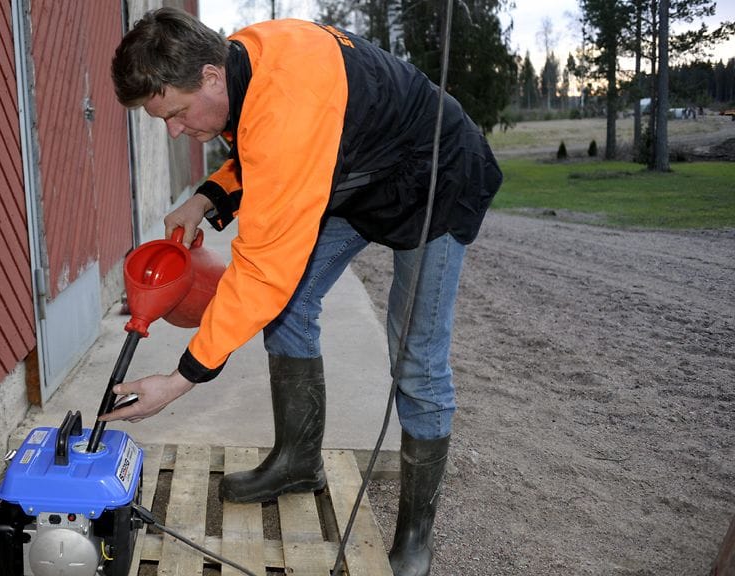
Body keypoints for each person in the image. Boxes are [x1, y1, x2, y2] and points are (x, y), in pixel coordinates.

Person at [103, 7, 501, 575]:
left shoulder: (285, 100)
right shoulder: (241, 59)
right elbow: (259, 155)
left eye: (176, 113)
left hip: (437, 177)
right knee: (289, 310)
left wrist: (179, 379)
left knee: (416, 359)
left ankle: (416, 536)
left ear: (211, 77)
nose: (173, 130)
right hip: (356, 180)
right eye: (161, 118)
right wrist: (206, 198)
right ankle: (297, 460)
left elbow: (264, 267)